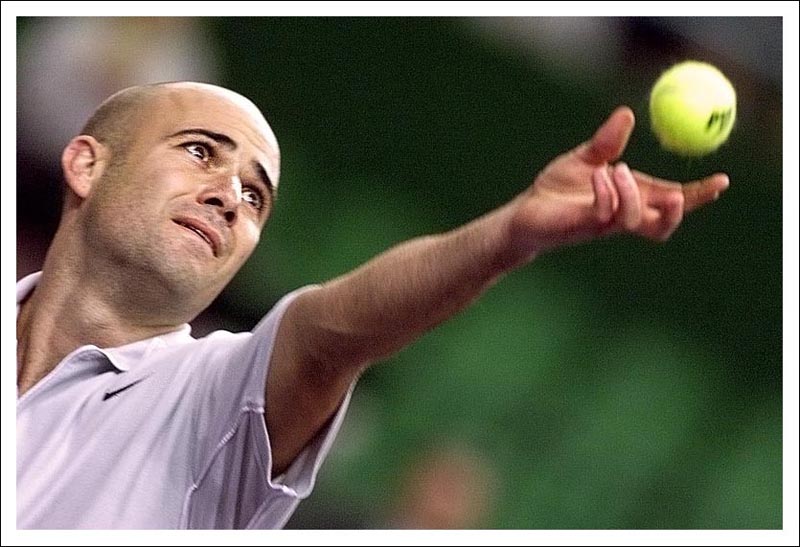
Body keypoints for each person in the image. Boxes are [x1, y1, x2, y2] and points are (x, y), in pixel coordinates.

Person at [16, 81, 729, 529]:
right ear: (87, 162)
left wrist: (508, 234)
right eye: (202, 151)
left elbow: (330, 332)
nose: (231, 195)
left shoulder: (207, 403)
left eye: (255, 195)